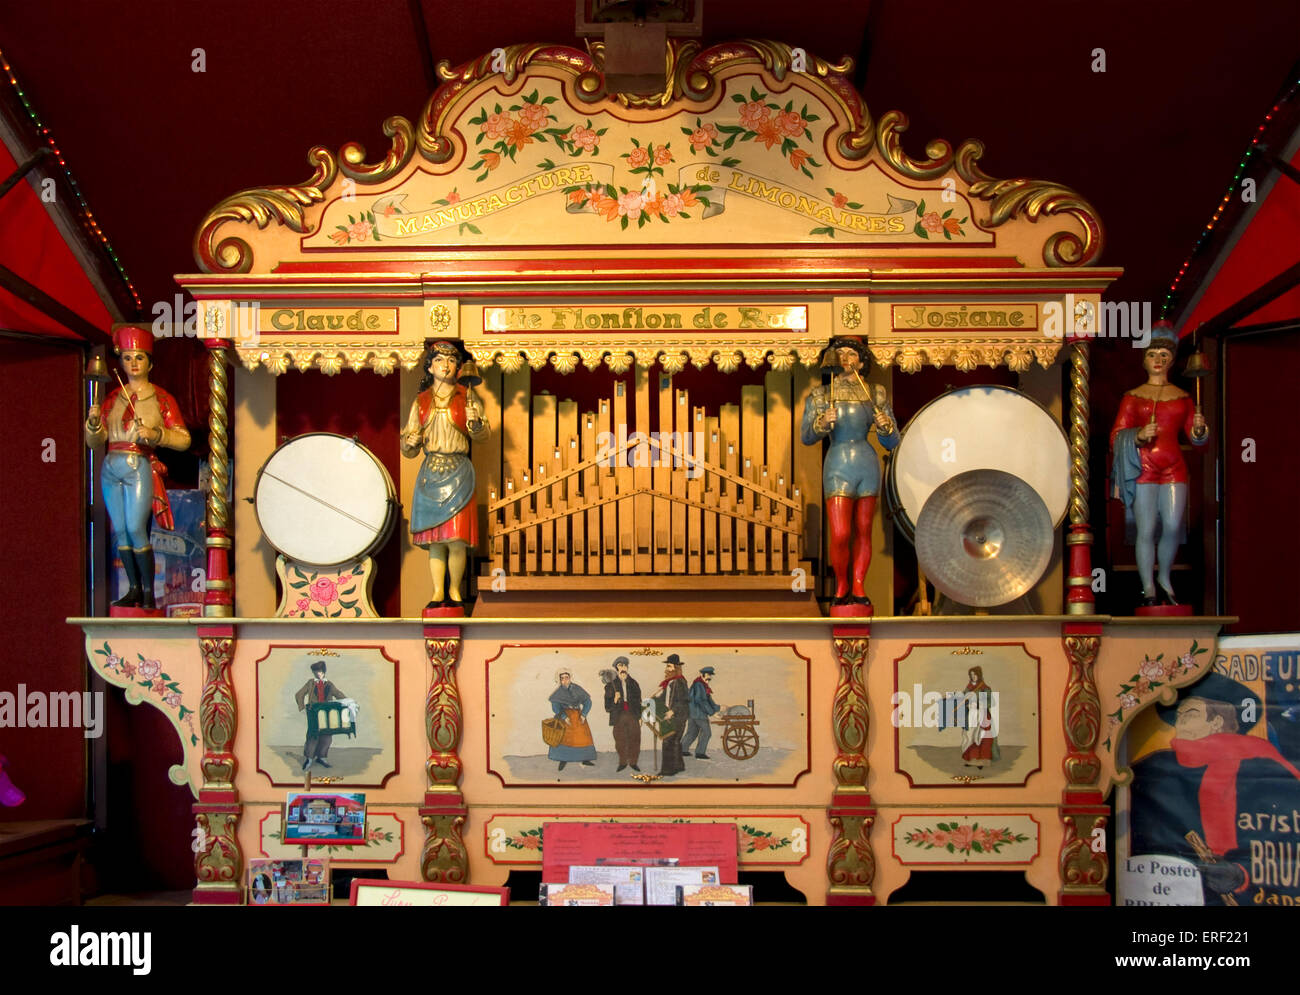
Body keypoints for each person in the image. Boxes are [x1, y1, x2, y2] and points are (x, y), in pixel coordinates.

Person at [1129, 673, 1300, 905]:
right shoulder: (1155, 768)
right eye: (1178, 715)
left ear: (1217, 722)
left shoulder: (1264, 768)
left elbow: (1286, 840)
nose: (1179, 723)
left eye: (1190, 714)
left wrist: (1241, 874)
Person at [84, 325, 191, 610]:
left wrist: (156, 435)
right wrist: (94, 423)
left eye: (139, 357)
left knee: (135, 527)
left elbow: (183, 439)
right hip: (111, 465)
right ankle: (133, 589)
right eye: (128, 357)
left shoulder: (161, 398)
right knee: (120, 530)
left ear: (150, 363)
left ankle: (147, 592)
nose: (133, 363)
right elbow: (96, 440)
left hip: (138, 463)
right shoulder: (111, 399)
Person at [1109, 322, 1208, 608]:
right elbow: (1116, 436)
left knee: (1174, 525)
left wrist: (1200, 429)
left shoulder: (1184, 397)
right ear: (1144, 360)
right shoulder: (1133, 396)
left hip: (1173, 465)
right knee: (1147, 528)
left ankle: (1165, 578)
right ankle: (1148, 586)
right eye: (1153, 354)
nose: (1158, 360)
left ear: (1172, 360)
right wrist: (1138, 435)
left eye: (1164, 355)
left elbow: (1196, 438)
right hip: (1144, 467)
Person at [800, 336, 900, 607]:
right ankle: (841, 583)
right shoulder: (822, 395)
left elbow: (892, 442)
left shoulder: (876, 393)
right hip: (838, 462)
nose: (845, 359)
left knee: (864, 529)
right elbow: (806, 437)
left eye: (851, 355)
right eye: (840, 354)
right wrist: (822, 421)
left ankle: (857, 586)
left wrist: (885, 425)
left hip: (866, 463)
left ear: (862, 361)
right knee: (841, 532)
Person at [401, 340, 488, 608]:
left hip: (459, 471)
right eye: (439, 361)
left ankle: (455, 591)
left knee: (457, 540)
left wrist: (475, 424)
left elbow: (483, 436)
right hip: (431, 473)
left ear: (459, 367)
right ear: (430, 366)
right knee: (436, 541)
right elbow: (408, 448)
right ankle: (438, 592)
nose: (446, 366)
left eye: (451, 361)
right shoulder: (421, 402)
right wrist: (411, 441)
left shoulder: (468, 397)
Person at [294, 661, 347, 771]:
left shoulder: (329, 684)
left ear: (324, 672)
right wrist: (302, 708)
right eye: (316, 672)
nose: (318, 674)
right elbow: (299, 694)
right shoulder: (310, 683)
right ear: (313, 672)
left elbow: (338, 694)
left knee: (327, 736)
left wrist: (348, 702)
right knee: (313, 736)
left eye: (320, 672)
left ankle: (322, 757)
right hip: (314, 713)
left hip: (327, 713)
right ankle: (309, 758)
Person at [548, 670, 596, 771]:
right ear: (559, 680)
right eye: (562, 678)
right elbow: (555, 707)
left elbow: (588, 702)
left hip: (578, 717)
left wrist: (583, 714)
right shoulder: (558, 693)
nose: (565, 680)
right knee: (564, 739)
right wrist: (564, 717)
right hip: (564, 718)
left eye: (566, 677)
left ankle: (584, 759)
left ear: (570, 678)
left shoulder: (577, 689)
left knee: (582, 737)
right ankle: (563, 759)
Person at [652, 655, 689, 777]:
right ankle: (679, 766)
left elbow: (683, 701)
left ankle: (667, 771)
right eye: (667, 666)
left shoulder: (680, 681)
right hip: (671, 715)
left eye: (669, 666)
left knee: (668, 741)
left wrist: (673, 711)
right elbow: (666, 698)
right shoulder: (669, 683)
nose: (666, 669)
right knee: (675, 742)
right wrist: (656, 697)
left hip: (678, 717)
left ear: (675, 668)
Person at [603, 657, 642, 772]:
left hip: (632, 714)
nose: (623, 668)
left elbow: (638, 701)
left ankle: (633, 762)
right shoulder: (610, 685)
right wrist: (614, 700)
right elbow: (607, 706)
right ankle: (623, 762)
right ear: (616, 668)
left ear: (627, 668)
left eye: (625, 666)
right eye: (620, 666)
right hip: (618, 715)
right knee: (620, 740)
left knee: (635, 738)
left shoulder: (634, 683)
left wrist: (640, 717)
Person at [959, 667, 998, 768]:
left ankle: (983, 761)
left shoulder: (985, 688)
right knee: (970, 737)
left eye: (974, 674)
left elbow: (992, 702)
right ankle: (973, 759)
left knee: (983, 738)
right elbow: (962, 697)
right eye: (971, 675)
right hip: (972, 715)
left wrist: (979, 703)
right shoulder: (969, 687)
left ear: (979, 675)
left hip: (983, 716)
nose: (973, 677)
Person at [681, 666, 721, 760]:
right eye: (708, 675)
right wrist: (712, 713)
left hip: (693, 713)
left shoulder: (701, 685)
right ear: (702, 675)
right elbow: (701, 701)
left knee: (692, 732)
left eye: (710, 675)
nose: (709, 677)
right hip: (699, 714)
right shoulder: (699, 685)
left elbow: (708, 699)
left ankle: (682, 750)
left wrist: (718, 708)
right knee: (706, 732)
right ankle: (700, 752)